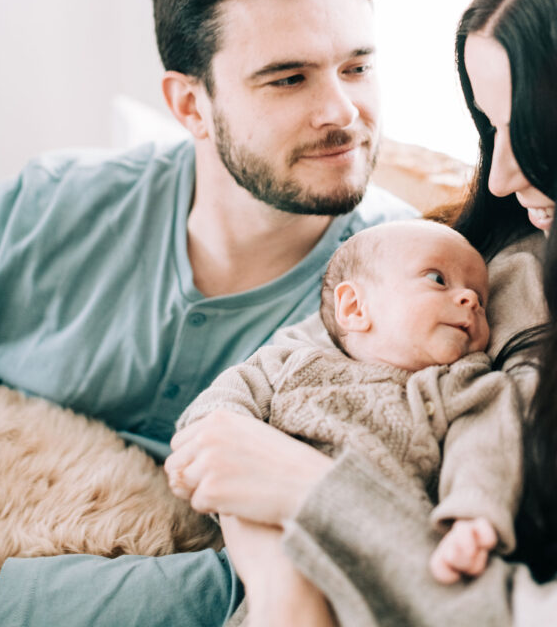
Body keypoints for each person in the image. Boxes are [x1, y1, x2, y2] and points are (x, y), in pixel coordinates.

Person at [166, 0, 557, 626]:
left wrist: (317, 496)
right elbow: (243, 435)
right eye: (487, 129)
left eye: (532, 135)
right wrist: (283, 587)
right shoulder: (486, 258)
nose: (495, 178)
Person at [0, 0, 416, 625]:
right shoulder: (50, 203)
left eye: (357, 68)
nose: (342, 111)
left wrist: (8, 597)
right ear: (190, 104)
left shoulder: (399, 289)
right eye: (288, 79)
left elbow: (304, 572)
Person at [168, 218, 523, 624]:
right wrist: (204, 448)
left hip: (373, 569)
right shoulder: (288, 362)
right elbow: (219, 409)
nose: (470, 300)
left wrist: (472, 517)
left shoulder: (463, 383)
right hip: (266, 556)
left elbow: (485, 445)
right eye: (438, 279)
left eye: (479, 294)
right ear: (354, 307)